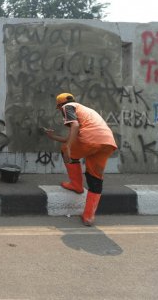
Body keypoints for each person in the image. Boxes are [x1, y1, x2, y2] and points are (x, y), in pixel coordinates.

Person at [43, 93, 118, 226]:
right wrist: (53, 136)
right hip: (107, 142)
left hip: (90, 139)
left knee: (67, 152)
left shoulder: (68, 107)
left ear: (60, 105)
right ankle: (88, 216)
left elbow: (75, 127)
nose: (61, 111)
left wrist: (68, 147)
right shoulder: (86, 111)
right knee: (95, 178)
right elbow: (72, 136)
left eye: (59, 109)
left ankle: (76, 185)